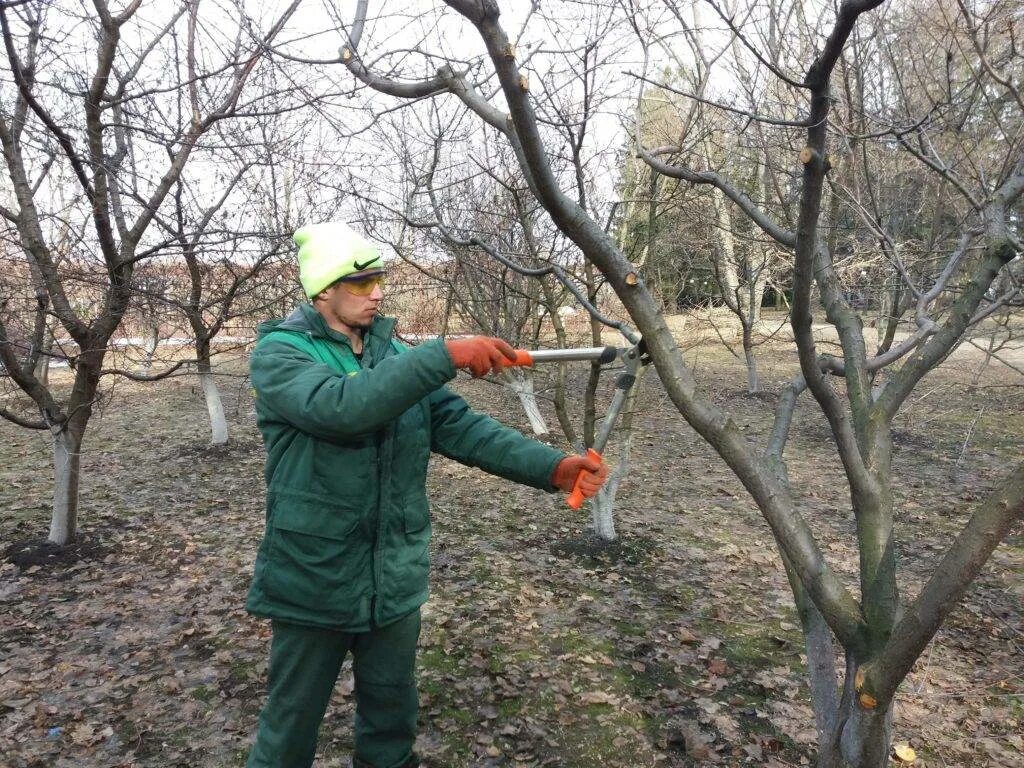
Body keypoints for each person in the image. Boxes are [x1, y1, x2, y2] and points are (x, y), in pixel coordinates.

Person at [245, 221, 609, 768]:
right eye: (363, 283)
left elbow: (458, 426)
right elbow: (343, 408)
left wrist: (553, 467)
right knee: (290, 726)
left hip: (394, 575)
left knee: (391, 722)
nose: (378, 292)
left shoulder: (391, 353)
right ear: (324, 289)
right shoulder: (280, 355)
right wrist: (445, 355)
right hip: (314, 576)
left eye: (380, 280)